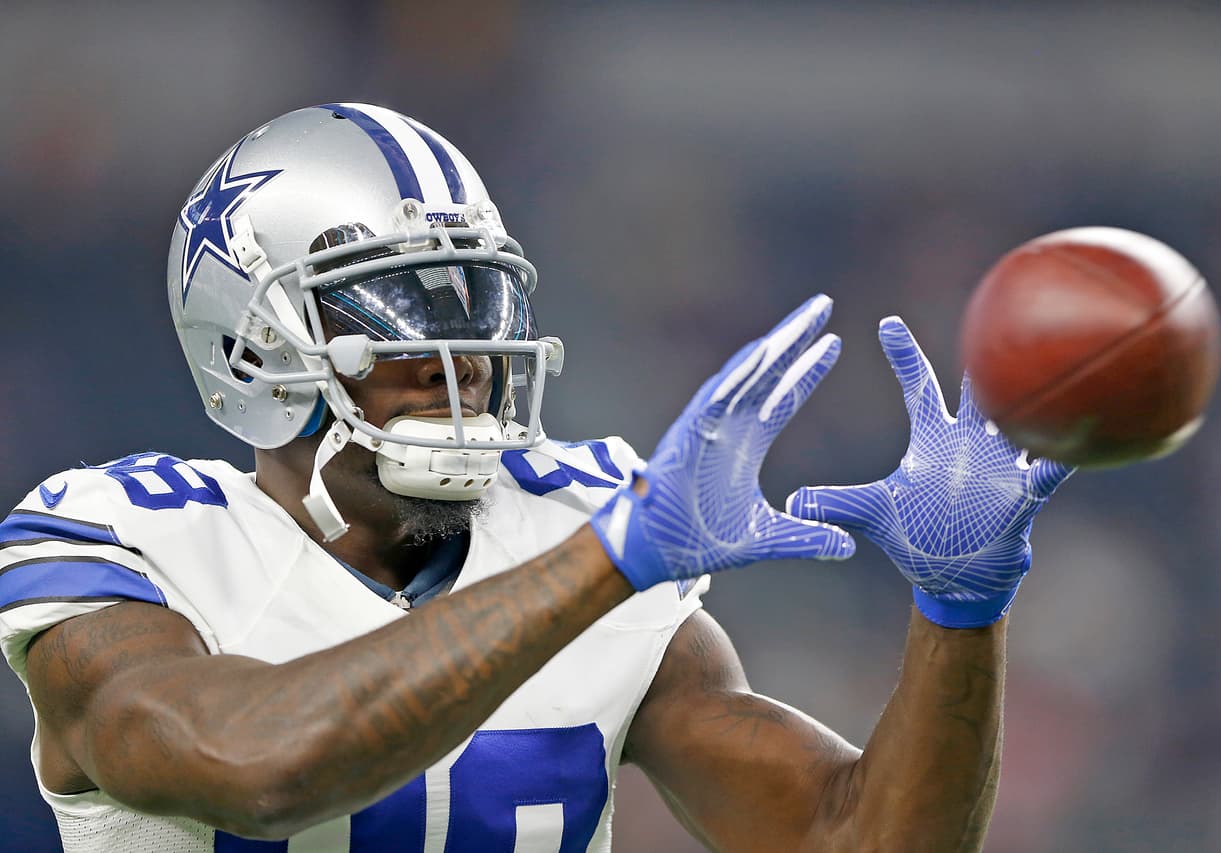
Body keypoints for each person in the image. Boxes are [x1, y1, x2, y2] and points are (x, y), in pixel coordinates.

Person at [0, 103, 1072, 852]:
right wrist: (608, 557)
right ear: (249, 348)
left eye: (472, 304)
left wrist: (958, 615)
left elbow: (861, 838)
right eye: (399, 312)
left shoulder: (566, 527)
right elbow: (260, 765)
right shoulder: (123, 542)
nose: (458, 356)